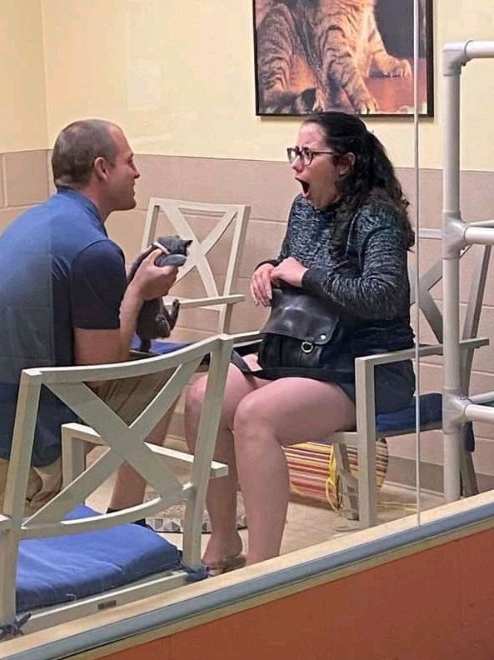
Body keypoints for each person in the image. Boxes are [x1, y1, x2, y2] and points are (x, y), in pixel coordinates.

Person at [185, 111, 415, 572]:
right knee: (203, 397)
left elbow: (383, 296)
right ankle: (225, 539)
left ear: (345, 163)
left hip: (365, 365)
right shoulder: (304, 208)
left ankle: (263, 570)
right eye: (296, 153)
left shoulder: (377, 216)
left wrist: (306, 276)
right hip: (306, 353)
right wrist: (268, 270)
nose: (296, 165)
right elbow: (290, 263)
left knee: (255, 416)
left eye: (308, 155)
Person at [0, 119, 178, 514]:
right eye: (129, 161)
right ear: (102, 168)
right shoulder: (93, 250)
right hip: (18, 456)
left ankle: (128, 520)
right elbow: (101, 370)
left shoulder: (36, 221)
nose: (137, 172)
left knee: (159, 379)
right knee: (167, 374)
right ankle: (120, 521)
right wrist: (138, 291)